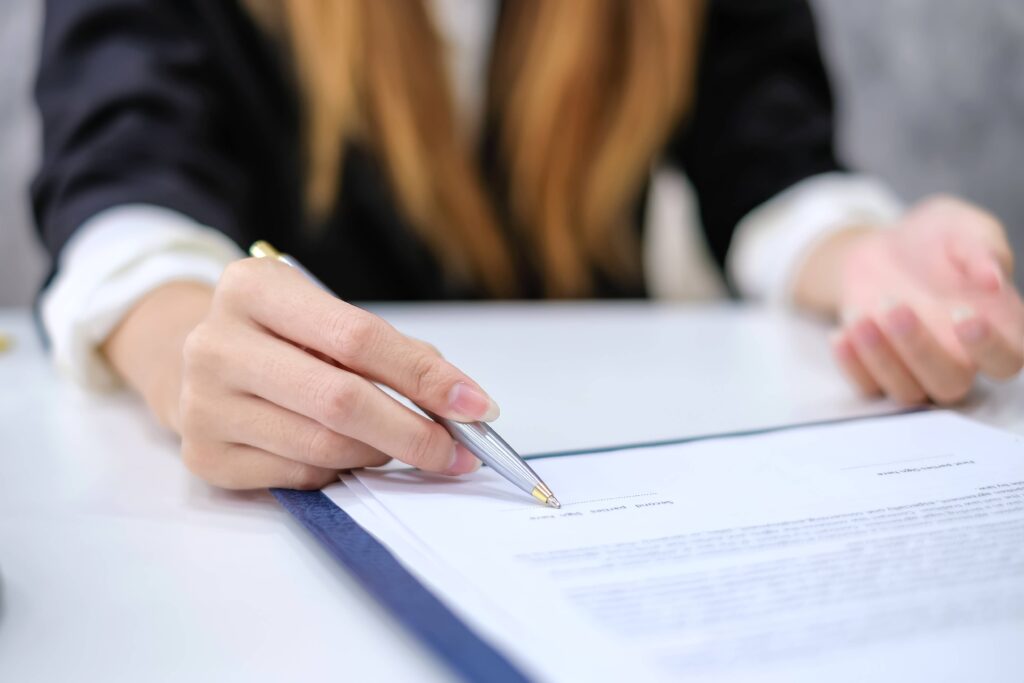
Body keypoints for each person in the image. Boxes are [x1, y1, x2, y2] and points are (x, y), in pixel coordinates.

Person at [33, 0, 1023, 490]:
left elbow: (768, 156)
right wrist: (184, 343)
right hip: (317, 509)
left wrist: (863, 252)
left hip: (612, 426)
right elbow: (125, 182)